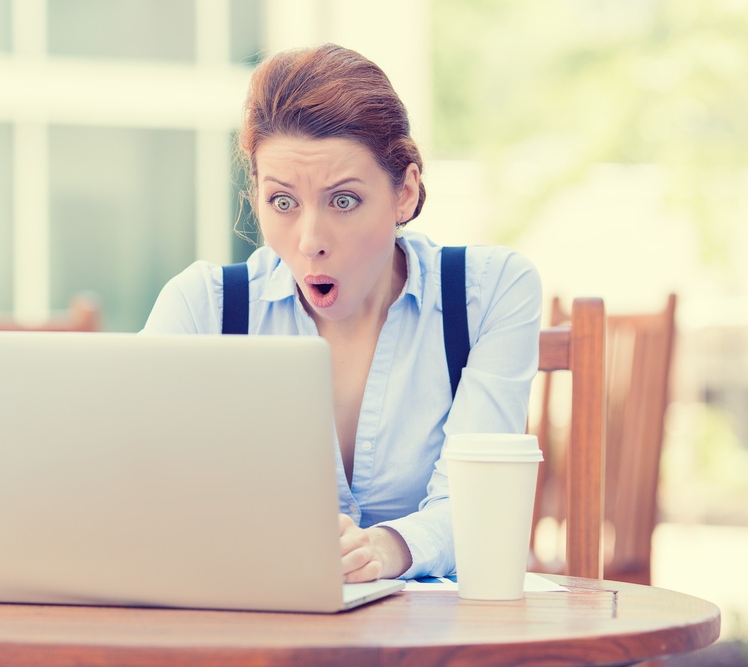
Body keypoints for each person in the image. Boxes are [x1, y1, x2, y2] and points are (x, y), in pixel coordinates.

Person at [141, 43, 541, 581]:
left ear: (405, 192)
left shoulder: (490, 293)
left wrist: (386, 550)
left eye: (344, 200)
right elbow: (142, 498)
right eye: (283, 202)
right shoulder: (202, 308)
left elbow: (480, 505)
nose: (309, 242)